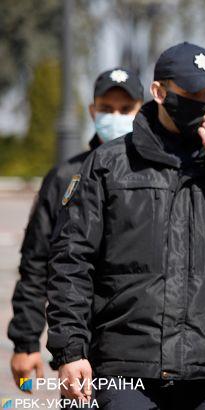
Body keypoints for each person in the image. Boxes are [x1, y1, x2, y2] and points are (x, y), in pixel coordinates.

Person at [46, 42, 205, 409]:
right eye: (192, 94)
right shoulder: (108, 164)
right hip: (125, 364)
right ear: (159, 92)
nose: (203, 104)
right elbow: (72, 261)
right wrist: (70, 350)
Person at [8, 67, 143, 390]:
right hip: (79, 342)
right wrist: (26, 342)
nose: (116, 117)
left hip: (137, 346)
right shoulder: (66, 175)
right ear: (92, 110)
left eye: (126, 110)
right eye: (107, 109)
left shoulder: (156, 175)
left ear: (142, 110)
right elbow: (36, 262)